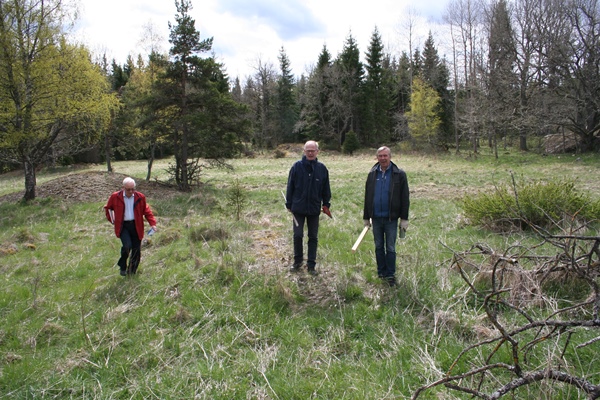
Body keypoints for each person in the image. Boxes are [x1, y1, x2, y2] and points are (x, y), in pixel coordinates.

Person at [363, 146, 410, 286]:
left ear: (390, 156)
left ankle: (390, 275)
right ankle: (381, 272)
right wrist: (366, 217)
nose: (383, 158)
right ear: (377, 157)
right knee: (378, 246)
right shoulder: (372, 174)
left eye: (385, 156)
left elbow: (405, 197)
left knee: (390, 247)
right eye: (380, 156)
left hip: (391, 219)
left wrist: (404, 218)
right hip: (376, 218)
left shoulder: (399, 174)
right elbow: (368, 197)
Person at [285, 140, 332, 275]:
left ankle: (311, 265)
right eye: (308, 150)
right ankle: (297, 262)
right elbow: (290, 186)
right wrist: (289, 204)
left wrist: (326, 204)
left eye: (313, 150)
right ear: (304, 152)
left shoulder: (322, 169)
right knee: (298, 235)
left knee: (313, 237)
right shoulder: (296, 167)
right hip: (298, 208)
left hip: (314, 209)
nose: (310, 153)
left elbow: (326, 189)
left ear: (317, 152)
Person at [104, 177, 157, 276]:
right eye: (128, 189)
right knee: (127, 246)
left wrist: (152, 224)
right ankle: (122, 264)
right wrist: (112, 221)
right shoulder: (115, 197)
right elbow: (108, 209)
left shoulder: (140, 197)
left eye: (133, 189)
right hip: (123, 226)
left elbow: (147, 211)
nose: (131, 191)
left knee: (136, 251)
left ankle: (131, 273)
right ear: (123, 188)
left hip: (136, 225)